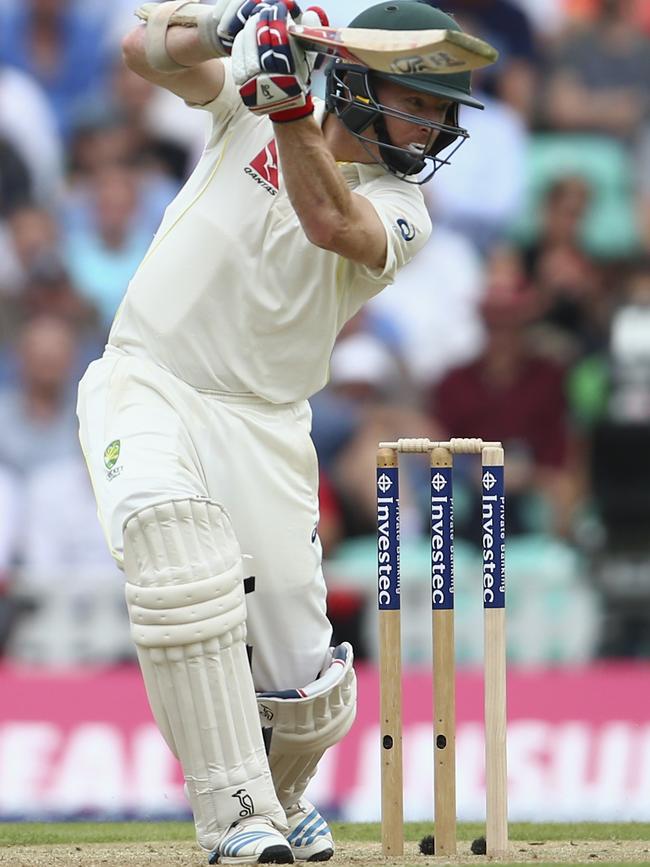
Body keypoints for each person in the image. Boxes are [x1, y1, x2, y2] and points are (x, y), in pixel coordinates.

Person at [76, 0, 491, 863]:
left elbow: (331, 222)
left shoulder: (403, 204)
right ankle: (234, 814)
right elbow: (143, 51)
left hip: (266, 426)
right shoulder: (253, 96)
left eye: (444, 113)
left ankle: (280, 795)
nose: (434, 128)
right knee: (177, 560)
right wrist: (230, 24)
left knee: (307, 697)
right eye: (421, 102)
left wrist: (289, 110)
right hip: (151, 375)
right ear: (363, 85)